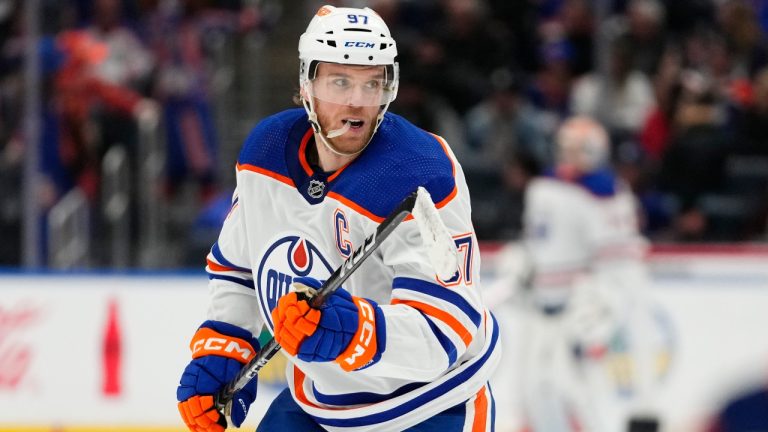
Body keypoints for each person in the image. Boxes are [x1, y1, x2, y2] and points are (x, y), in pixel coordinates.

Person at [175, 5, 500, 432]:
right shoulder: (266, 153)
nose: (357, 102)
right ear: (306, 84)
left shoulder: (420, 171)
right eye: (340, 82)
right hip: (320, 403)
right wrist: (224, 346)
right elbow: (239, 269)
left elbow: (445, 328)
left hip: (431, 405)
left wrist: (355, 332)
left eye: (373, 84)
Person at [512, 116, 661, 431]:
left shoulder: (602, 191)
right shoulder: (549, 187)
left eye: (577, 148)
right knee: (538, 383)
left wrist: (599, 299)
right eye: (566, 147)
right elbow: (539, 243)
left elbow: (616, 260)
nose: (569, 155)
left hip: (588, 297)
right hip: (552, 298)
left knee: (585, 383)